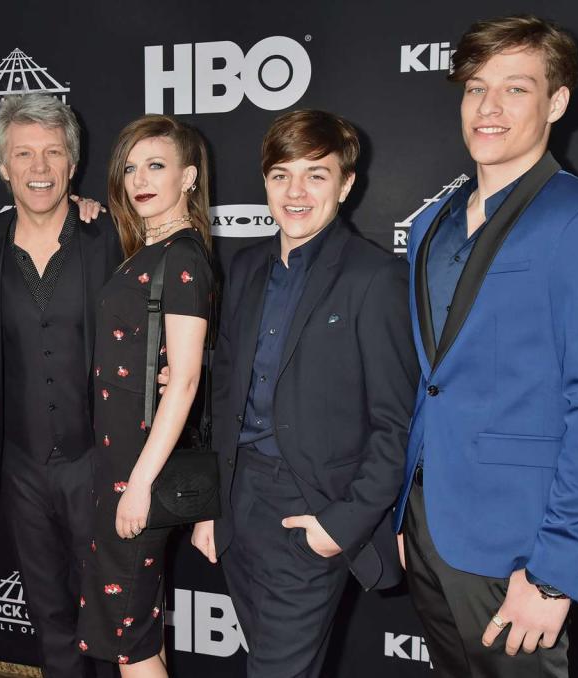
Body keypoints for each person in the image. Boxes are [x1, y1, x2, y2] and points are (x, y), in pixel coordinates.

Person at [394, 15, 578, 678]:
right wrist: (410, 512)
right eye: (475, 88)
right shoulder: (432, 220)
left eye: (515, 89)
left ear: (556, 103)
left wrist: (557, 573)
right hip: (432, 531)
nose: (488, 108)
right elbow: (434, 380)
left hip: (520, 549)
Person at [190, 110, 418, 678]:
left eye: (316, 175)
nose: (295, 192)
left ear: (345, 184)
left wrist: (339, 526)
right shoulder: (242, 268)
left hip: (310, 509)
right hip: (238, 508)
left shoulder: (375, 277)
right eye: (280, 175)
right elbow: (223, 398)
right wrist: (209, 507)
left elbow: (398, 425)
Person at [0, 93, 119, 678]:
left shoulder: (112, 236)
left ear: (72, 164)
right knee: (50, 618)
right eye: (24, 154)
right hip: (20, 463)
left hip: (99, 462)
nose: (40, 167)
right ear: (3, 167)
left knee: (116, 615)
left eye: (53, 152)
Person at [76, 114, 214, 677]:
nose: (140, 178)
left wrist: (138, 485)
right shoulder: (147, 251)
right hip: (120, 462)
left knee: (129, 642)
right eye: (130, 167)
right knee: (132, 631)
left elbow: (182, 381)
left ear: (188, 177)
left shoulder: (181, 258)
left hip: (139, 470)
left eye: (156, 165)